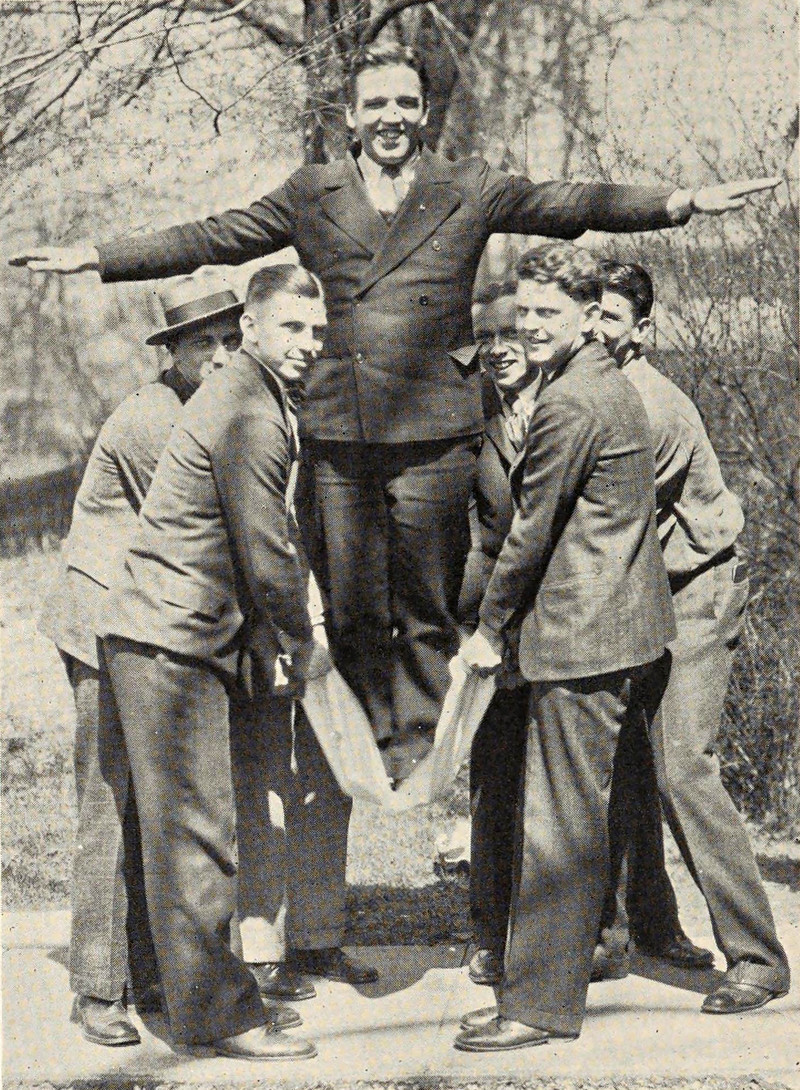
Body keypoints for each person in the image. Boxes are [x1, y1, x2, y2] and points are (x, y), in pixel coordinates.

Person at [10, 47, 779, 781]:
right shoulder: (313, 193)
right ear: (350, 117)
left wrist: (678, 202)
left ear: (424, 113)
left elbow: (567, 202)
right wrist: (98, 257)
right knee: (350, 607)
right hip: (342, 431)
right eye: (375, 104)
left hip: (435, 427)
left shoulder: (467, 186)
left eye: (406, 103)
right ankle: (359, 745)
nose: (391, 117)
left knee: (427, 604)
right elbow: (215, 235)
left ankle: (418, 753)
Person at [98, 264, 329, 1060]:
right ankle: (219, 1018)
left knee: (187, 830)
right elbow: (266, 551)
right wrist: (303, 640)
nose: (308, 343)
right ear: (252, 329)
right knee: (198, 831)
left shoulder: (252, 395)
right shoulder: (249, 410)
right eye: (291, 327)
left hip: (177, 635)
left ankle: (196, 1000)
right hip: (170, 641)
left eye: (317, 330)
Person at [455, 242, 676, 1051]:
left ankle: (536, 1009)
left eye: (549, 312)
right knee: (575, 821)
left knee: (556, 829)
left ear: (588, 316)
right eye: (524, 313)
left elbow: (528, 535)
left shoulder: (571, 401)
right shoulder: (600, 382)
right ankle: (549, 986)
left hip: (583, 639)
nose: (532, 326)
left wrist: (487, 633)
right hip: (613, 632)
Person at [38, 270, 244, 1046]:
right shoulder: (155, 420)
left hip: (151, 624)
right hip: (102, 625)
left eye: (232, 340)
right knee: (109, 799)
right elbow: (214, 534)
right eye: (203, 344)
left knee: (160, 804)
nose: (220, 356)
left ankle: (155, 975)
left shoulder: (215, 406)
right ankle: (98, 987)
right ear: (173, 352)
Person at [595, 260, 790, 1013]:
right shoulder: (591, 392)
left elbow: (604, 526)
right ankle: (644, 930)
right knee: (623, 759)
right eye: (589, 313)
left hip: (697, 591)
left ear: (642, 331)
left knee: (681, 767)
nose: (596, 329)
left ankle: (758, 958)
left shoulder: (651, 407)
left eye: (612, 317)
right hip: (642, 591)